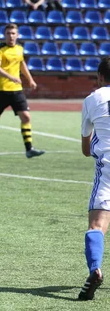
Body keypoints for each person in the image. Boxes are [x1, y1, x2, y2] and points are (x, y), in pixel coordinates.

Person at [0, 24, 45, 159]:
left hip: (17, 91)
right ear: (4, 35)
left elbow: (22, 65)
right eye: (8, 33)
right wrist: (11, 77)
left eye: (13, 33)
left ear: (17, 35)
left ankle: (29, 149)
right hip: (1, 90)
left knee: (26, 117)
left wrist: (30, 80)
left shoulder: (19, 49)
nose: (10, 36)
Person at [78, 57, 110, 301]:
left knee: (97, 225)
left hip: (107, 168)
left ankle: (95, 270)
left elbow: (86, 148)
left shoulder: (92, 99)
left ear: (100, 76)